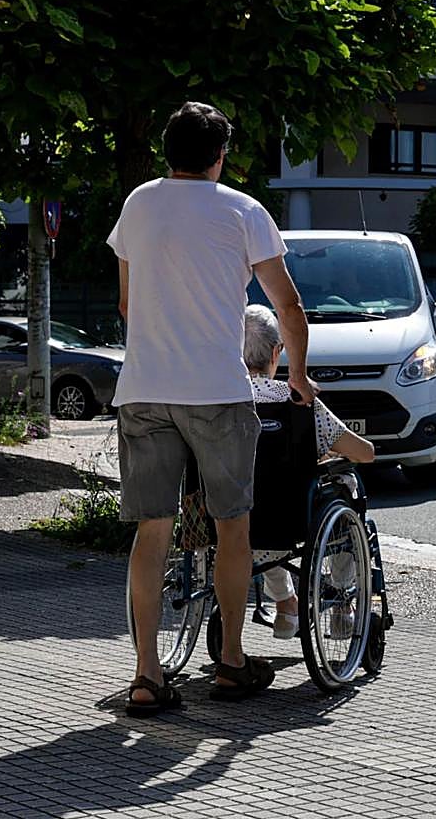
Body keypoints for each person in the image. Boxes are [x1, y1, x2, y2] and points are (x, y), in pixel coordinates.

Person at [109, 101, 316, 716]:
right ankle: (230, 660)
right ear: (220, 155)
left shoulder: (138, 204)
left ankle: (147, 676)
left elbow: (126, 307)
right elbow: (288, 304)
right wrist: (298, 374)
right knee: (233, 525)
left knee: (152, 530)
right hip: (216, 391)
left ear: (167, 150)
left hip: (143, 387)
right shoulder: (243, 211)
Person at [244, 304, 374, 639]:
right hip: (289, 516)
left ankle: (286, 604)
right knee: (344, 488)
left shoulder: (220, 398)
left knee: (260, 511)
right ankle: (343, 602)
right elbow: (363, 452)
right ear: (277, 351)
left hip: (236, 516)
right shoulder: (296, 399)